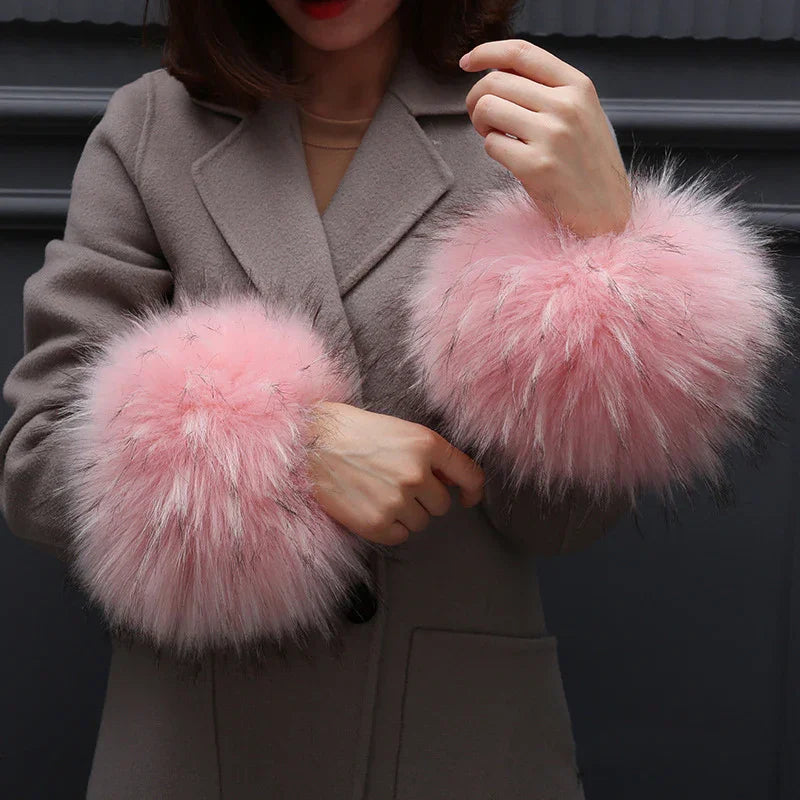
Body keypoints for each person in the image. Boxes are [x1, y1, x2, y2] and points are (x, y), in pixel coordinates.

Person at [0, 1, 791, 798]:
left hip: (455, 743)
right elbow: (38, 460)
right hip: (194, 749)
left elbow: (560, 522)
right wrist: (290, 449)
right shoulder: (152, 128)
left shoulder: (523, 125)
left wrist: (601, 236)